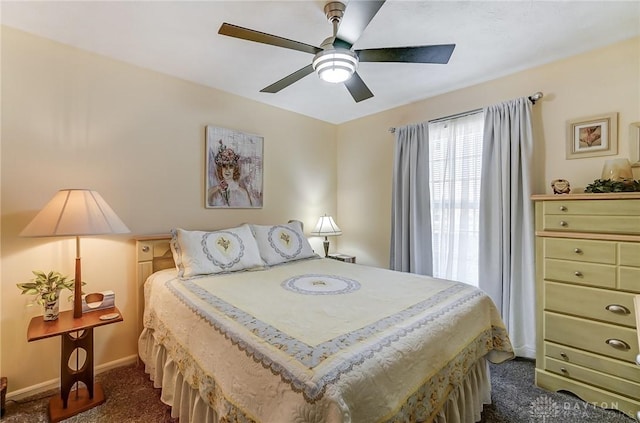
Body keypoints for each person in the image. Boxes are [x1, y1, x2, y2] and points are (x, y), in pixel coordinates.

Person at [207, 141, 253, 207]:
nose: (227, 170)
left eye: (231, 167)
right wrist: (217, 188)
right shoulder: (214, 191)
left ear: (234, 169)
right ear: (220, 169)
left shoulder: (242, 193)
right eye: (224, 166)